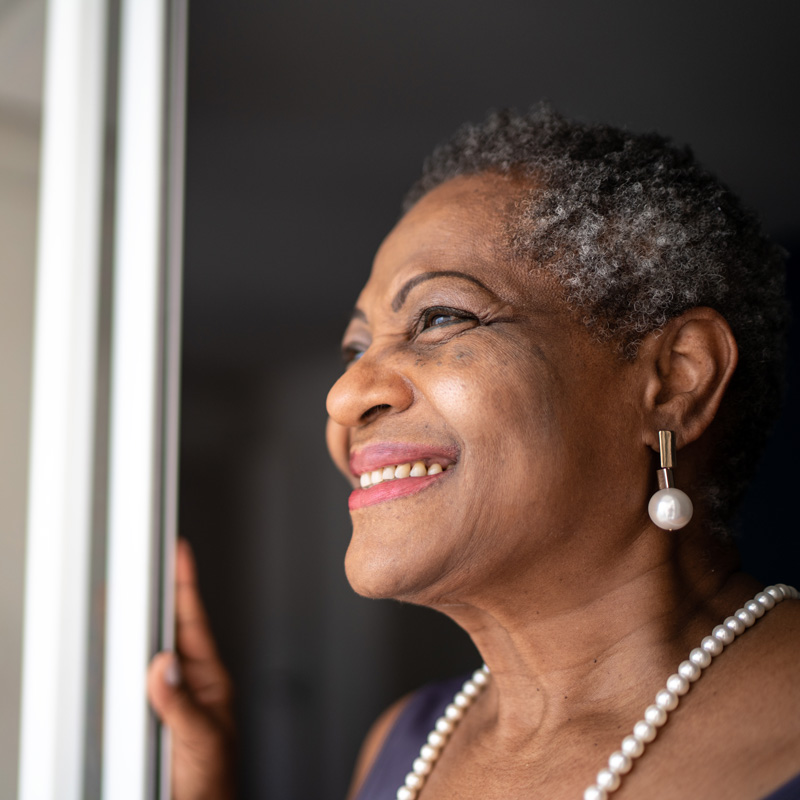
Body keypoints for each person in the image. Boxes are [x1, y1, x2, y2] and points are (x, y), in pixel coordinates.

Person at [148, 106, 800, 800]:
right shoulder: (403, 743)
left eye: (439, 317)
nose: (343, 397)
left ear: (674, 381)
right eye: (355, 349)